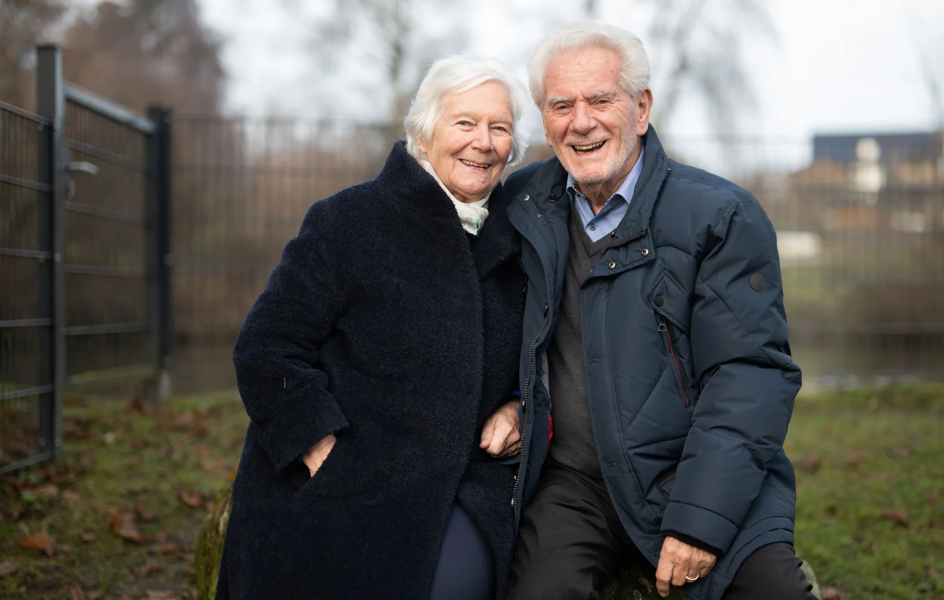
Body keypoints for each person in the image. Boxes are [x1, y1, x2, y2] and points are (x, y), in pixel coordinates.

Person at [503, 22, 814, 600]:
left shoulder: (720, 216)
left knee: (775, 592)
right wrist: (508, 399)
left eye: (601, 100)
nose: (582, 122)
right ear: (545, 121)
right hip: (575, 486)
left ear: (642, 109)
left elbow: (749, 375)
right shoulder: (521, 207)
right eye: (562, 105)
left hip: (695, 473)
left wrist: (700, 519)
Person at [216, 56, 530, 600]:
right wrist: (319, 446)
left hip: (464, 487)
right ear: (423, 133)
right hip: (342, 471)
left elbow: (552, 356)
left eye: (498, 128)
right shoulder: (349, 221)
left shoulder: (523, 243)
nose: (482, 142)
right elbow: (266, 347)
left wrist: (520, 404)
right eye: (464, 123)